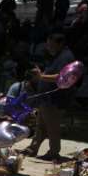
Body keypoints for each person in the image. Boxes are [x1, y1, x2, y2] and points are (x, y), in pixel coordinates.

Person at [23, 32, 75, 162]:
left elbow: (61, 76)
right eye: (47, 44)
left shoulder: (65, 57)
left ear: (60, 44)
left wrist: (41, 77)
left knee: (52, 127)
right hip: (46, 98)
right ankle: (33, 148)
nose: (48, 47)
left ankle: (54, 152)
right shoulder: (56, 56)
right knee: (40, 125)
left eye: (51, 45)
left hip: (55, 99)